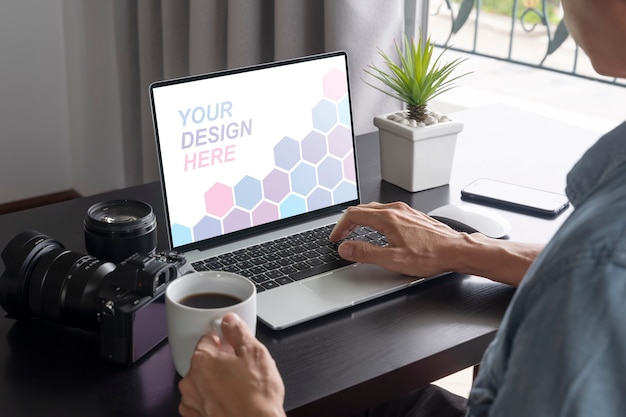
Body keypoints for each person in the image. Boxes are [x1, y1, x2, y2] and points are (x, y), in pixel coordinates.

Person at [178, 0, 626, 415]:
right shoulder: (596, 255)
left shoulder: (596, 268)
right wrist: (463, 248)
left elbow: (594, 267)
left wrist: (253, 411)